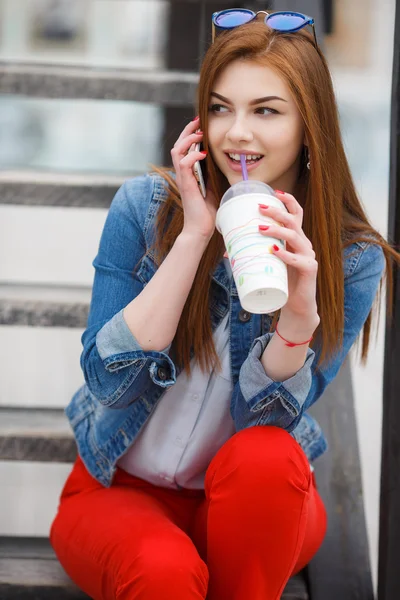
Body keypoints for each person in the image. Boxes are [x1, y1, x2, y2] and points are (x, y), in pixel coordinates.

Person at [50, 10, 399, 600]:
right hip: (118, 490)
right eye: (220, 107)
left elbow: (264, 427)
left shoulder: (347, 259)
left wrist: (298, 316)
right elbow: (108, 387)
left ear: (310, 124)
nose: (236, 133)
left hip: (251, 505)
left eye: (266, 110)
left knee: (267, 457)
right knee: (163, 572)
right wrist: (192, 237)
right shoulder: (144, 207)